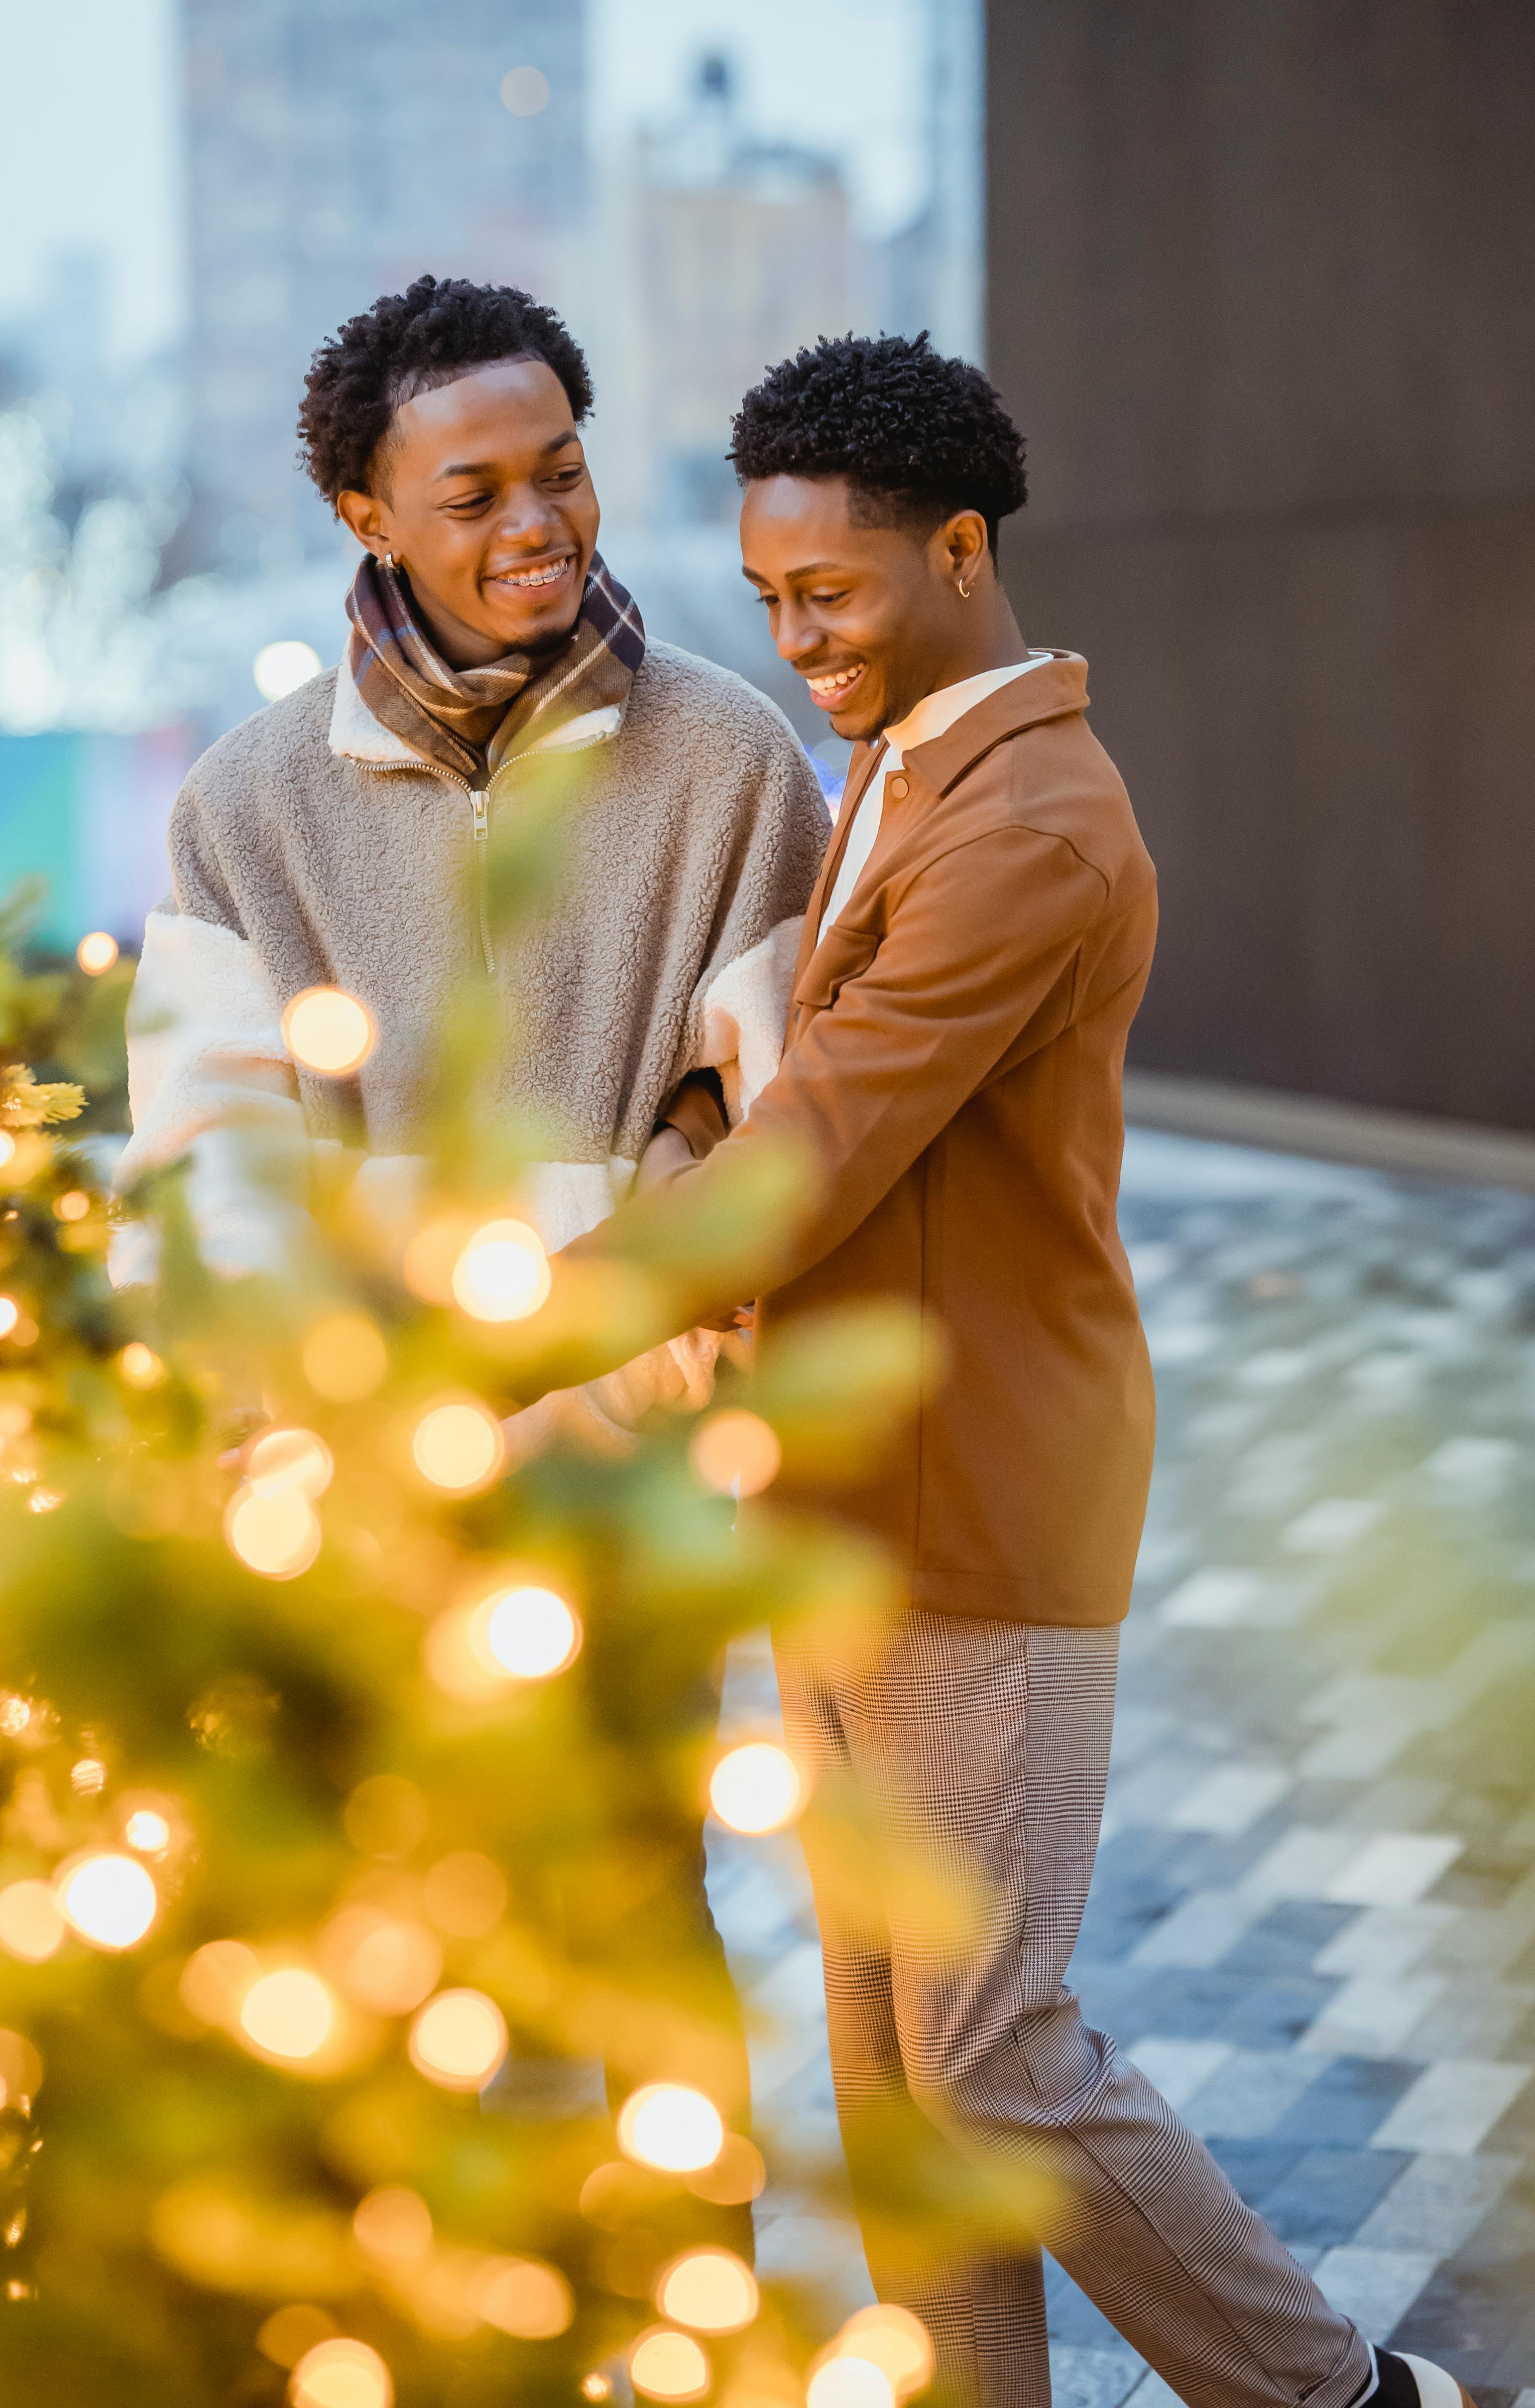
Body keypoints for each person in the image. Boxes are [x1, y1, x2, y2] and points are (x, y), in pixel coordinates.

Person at [563, 333, 1472, 2408]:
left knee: (991, 2042)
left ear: (961, 549)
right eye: (768, 597)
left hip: (984, 1485)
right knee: (894, 2070)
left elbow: (831, 1131)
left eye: (831, 596)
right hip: (834, 1475)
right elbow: (768, 1055)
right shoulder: (900, 762)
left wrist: (532, 1307)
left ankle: (1338, 2392)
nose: (794, 643)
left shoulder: (1034, 816)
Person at [114, 275, 828, 1466]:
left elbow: (791, 1120)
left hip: (636, 1495)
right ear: (368, 517)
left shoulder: (732, 759)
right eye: (473, 495)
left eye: (561, 471)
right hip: (346, 1475)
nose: (538, 524)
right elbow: (210, 1156)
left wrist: (672, 1373)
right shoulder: (244, 805)